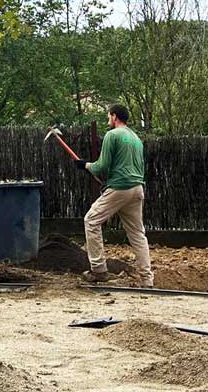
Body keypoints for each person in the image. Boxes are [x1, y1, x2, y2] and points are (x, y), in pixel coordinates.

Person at [75, 104, 154, 286]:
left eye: (108, 116)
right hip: (137, 188)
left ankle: (99, 270)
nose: (107, 120)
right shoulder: (135, 138)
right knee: (137, 234)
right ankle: (147, 279)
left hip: (121, 187)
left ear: (115, 116)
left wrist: (85, 165)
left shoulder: (113, 135)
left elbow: (101, 166)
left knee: (91, 220)